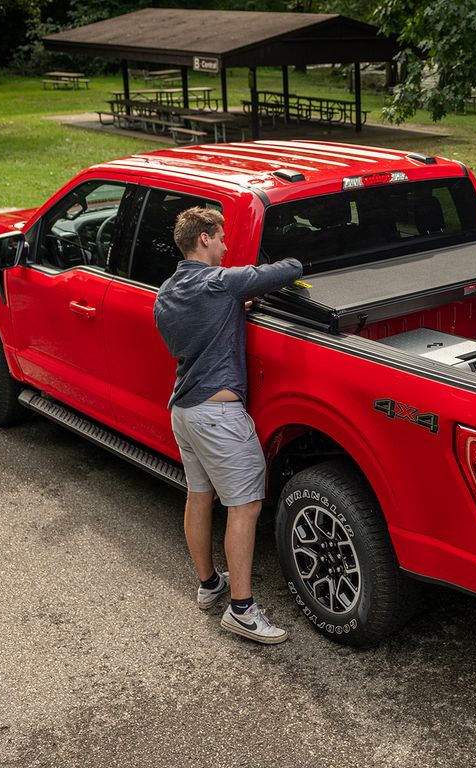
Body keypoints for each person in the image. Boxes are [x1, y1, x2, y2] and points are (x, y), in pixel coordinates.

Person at [153, 206, 302, 645]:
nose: (225, 245)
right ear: (203, 238)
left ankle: (208, 584)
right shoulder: (219, 283)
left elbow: (199, 327)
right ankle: (241, 609)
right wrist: (294, 262)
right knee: (245, 506)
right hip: (219, 416)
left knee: (199, 497)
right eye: (219, 238)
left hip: (184, 412)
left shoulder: (167, 292)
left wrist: (234, 305)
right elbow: (285, 270)